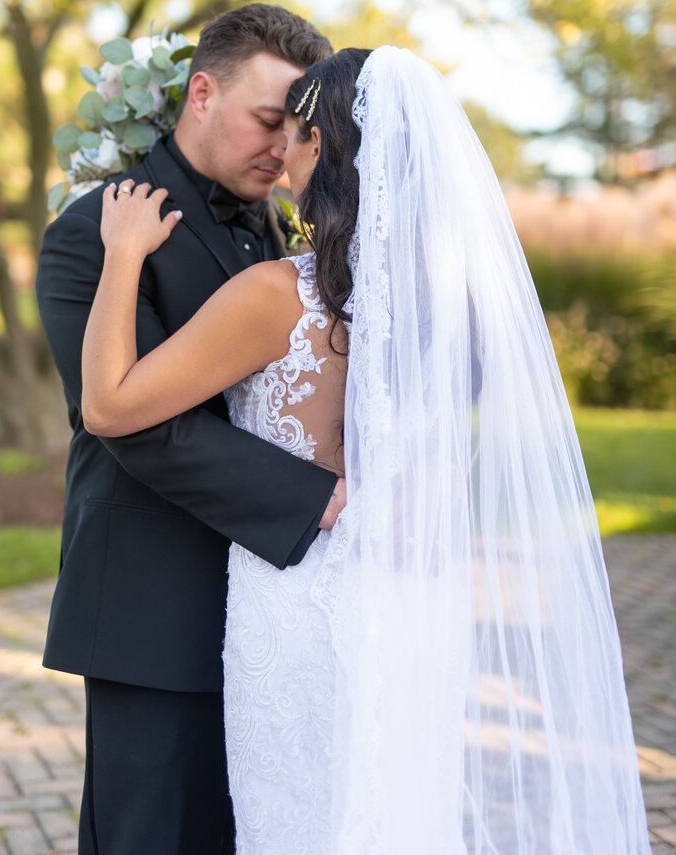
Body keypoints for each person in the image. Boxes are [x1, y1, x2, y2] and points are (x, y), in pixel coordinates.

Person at [82, 44, 653, 854]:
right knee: (392, 816)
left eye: (296, 137)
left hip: (299, 600)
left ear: (331, 149)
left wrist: (122, 254)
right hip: (411, 596)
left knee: (298, 818)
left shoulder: (279, 295)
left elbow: (108, 404)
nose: (282, 157)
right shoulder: (457, 305)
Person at [34, 3, 346, 855]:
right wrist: (318, 498)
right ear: (201, 92)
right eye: (268, 121)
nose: (284, 149)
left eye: (297, 130)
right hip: (153, 604)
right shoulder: (94, 233)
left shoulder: (282, 226)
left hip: (272, 610)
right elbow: (134, 429)